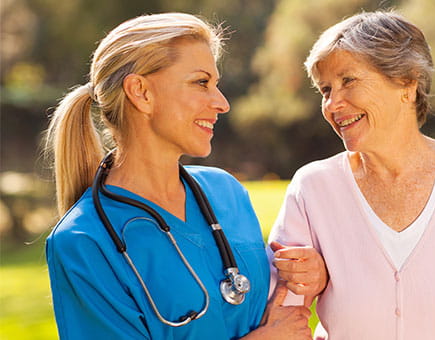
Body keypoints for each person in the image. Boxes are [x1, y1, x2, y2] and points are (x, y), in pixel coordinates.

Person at [268, 10, 435, 340]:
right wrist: (311, 282)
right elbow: (282, 315)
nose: (332, 104)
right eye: (325, 89)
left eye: (348, 81)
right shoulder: (312, 188)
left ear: (407, 83)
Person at [44, 12, 316, 339]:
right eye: (201, 83)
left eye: (216, 84)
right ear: (141, 92)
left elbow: (270, 306)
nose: (222, 103)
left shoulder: (226, 192)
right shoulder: (83, 241)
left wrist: (309, 276)